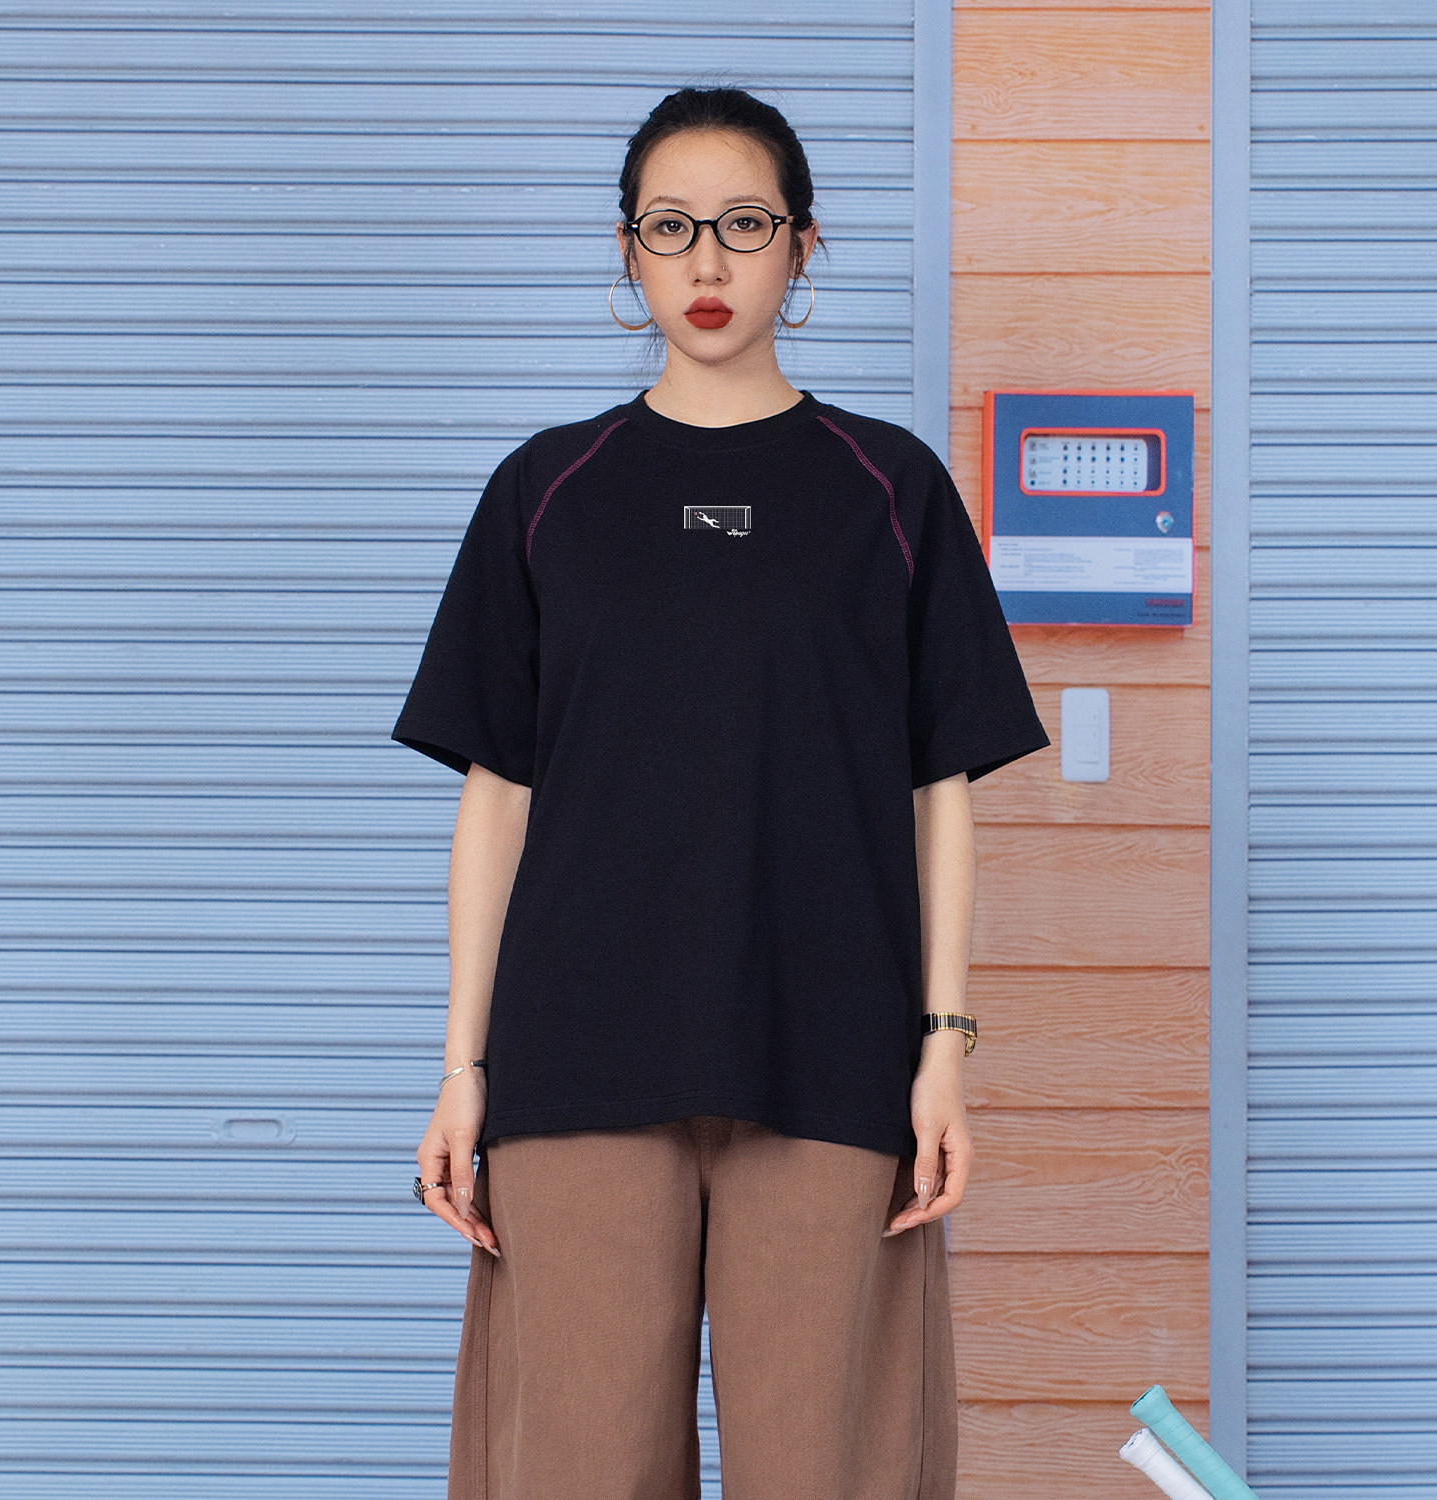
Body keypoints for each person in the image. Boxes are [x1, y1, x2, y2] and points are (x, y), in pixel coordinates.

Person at [392, 85, 1050, 1500]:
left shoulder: (890, 491)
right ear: (626, 250)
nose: (706, 261)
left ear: (804, 245)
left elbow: (940, 787)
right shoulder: (546, 490)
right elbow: (496, 798)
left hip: (832, 1049)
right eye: (670, 226)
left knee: (832, 1469)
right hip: (577, 1056)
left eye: (745, 223)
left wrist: (944, 1047)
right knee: (574, 1469)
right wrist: (462, 1068)